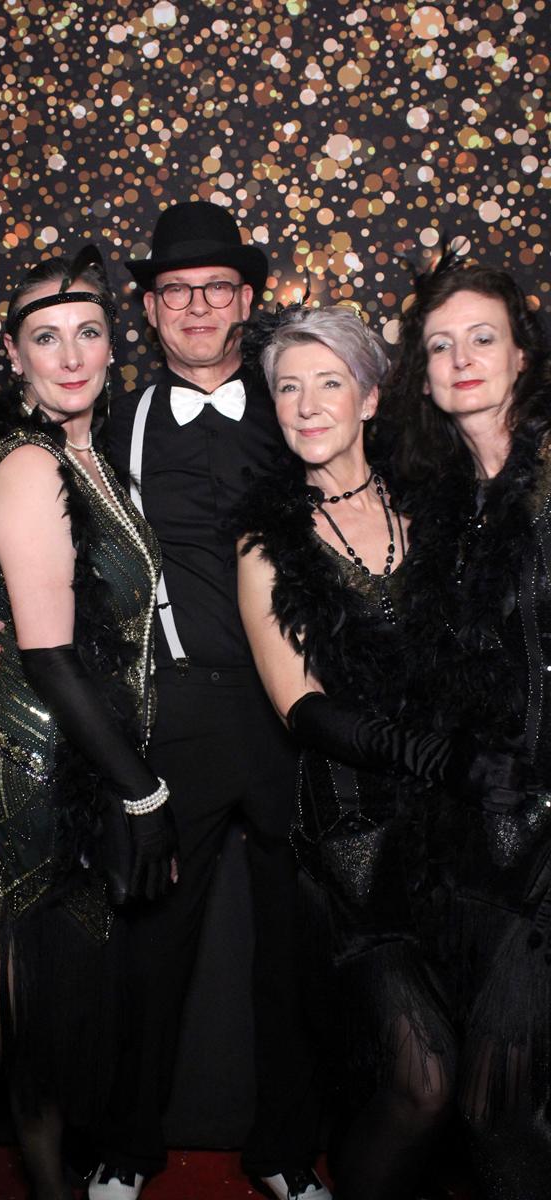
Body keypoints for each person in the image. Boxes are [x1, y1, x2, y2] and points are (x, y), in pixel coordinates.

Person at [90, 202, 329, 1200]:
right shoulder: (115, 421)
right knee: (152, 946)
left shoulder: (298, 402)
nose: (196, 306)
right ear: (148, 308)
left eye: (217, 288)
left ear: (245, 300)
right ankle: (127, 1147)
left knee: (297, 945)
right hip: (180, 710)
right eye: (176, 291)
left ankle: (283, 1150)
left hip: (297, 716)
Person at [235, 304, 471, 1200]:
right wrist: (420, 752)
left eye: (328, 383)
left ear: (370, 398)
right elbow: (300, 707)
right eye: (288, 388)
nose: (306, 405)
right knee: (423, 1079)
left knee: (481, 1077)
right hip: (353, 841)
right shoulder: (266, 541)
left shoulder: (431, 508)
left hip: (457, 834)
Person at [0, 247, 176, 1200]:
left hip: (89, 753)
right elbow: (51, 654)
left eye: (88, 332)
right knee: (43, 1020)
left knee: (55, 1019)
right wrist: (143, 793)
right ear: (13, 355)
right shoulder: (29, 462)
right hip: (44, 763)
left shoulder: (91, 458)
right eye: (45, 338)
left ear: (111, 346)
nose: (70, 355)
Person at [385, 252, 551, 1199]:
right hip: (480, 837)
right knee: (496, 1107)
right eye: (441, 347)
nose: (462, 361)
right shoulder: (441, 497)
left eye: (483, 339)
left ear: (523, 352)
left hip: (548, 844)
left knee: (499, 1102)